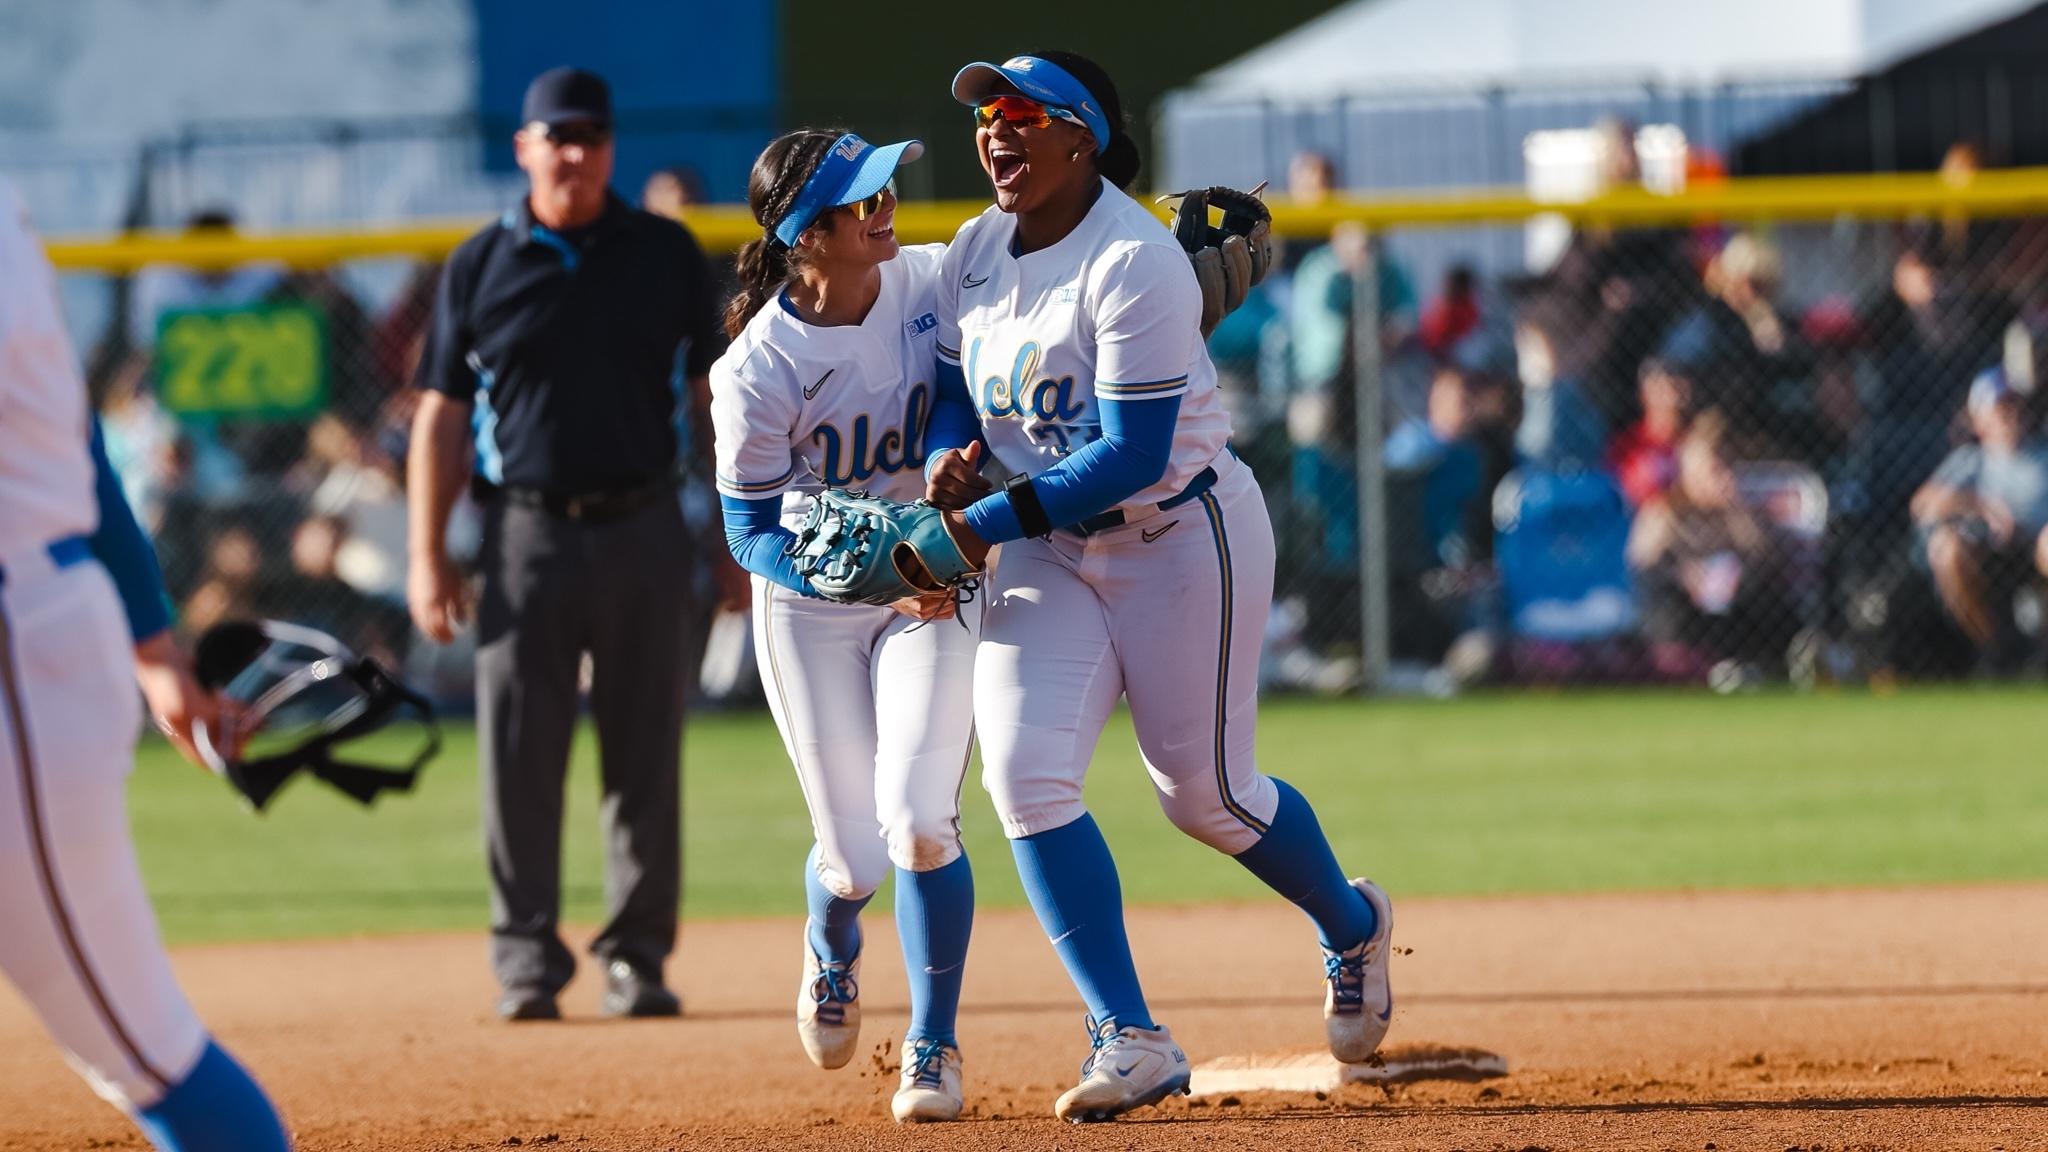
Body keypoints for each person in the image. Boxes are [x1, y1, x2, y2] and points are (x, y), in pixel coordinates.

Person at [921, 51, 1394, 1123]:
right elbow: (952, 384)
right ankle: (1129, 1035)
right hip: (1047, 546)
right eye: (986, 114)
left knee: (1207, 800)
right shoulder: (973, 251)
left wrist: (972, 525)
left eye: (1023, 115)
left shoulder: (1132, 258)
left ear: (1082, 137)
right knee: (1025, 782)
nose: (996, 130)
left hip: (1182, 533)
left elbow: (1133, 455)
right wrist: (954, 459)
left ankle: (1350, 925)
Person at [407, 66, 723, 1021]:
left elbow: (713, 403)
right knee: (519, 753)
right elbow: (439, 420)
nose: (575, 153)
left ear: (610, 147)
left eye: (590, 135)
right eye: (557, 135)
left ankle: (637, 955)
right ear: (526, 148)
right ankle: (526, 959)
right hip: (523, 534)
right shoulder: (479, 263)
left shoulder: (665, 254)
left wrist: (735, 539)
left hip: (645, 526)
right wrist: (429, 553)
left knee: (645, 752)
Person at [0, 176, 292, 1151]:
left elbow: (73, 448)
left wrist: (153, 645)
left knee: (148, 1054)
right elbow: (75, 432)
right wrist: (157, 649)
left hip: (18, 655)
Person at [709, 128, 979, 1124]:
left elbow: (953, 382)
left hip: (933, 589)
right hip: (814, 610)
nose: (883, 206)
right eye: (859, 198)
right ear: (805, 235)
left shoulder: (917, 280)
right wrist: (869, 575)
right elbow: (749, 532)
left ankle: (933, 1045)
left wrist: (949, 459)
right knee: (856, 862)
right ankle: (831, 945)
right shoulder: (753, 368)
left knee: (917, 821)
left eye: (880, 189)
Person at [1912, 367, 2048, 670]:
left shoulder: (2044, 453)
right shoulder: (1971, 460)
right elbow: (1922, 505)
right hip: (1989, 553)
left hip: (2036, 549)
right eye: (2002, 407)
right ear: (1980, 421)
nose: (2013, 414)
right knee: (1945, 548)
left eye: (2016, 404)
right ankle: (1998, 650)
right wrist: (1983, 506)